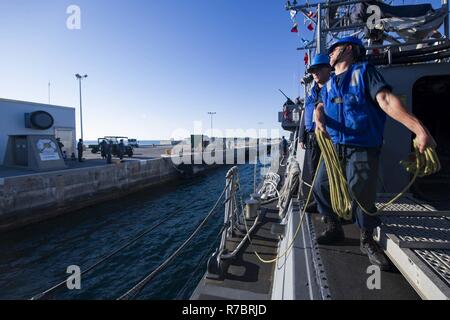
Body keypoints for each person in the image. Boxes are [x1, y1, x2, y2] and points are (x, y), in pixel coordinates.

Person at [313, 36, 436, 270]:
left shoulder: (365, 72)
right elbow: (321, 103)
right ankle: (333, 226)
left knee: (360, 190)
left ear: (348, 49)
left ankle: (366, 238)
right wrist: (318, 113)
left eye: (333, 49)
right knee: (321, 186)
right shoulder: (328, 84)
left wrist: (419, 129)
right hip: (335, 147)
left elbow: (386, 101)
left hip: (362, 145)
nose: (329, 53)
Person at [299, 54, 332, 212]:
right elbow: (305, 115)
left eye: (318, 69)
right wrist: (302, 137)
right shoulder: (311, 93)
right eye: (312, 70)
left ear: (328, 69)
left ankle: (330, 206)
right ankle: (318, 202)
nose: (315, 73)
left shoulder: (334, 88)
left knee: (329, 173)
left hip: (329, 137)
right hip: (312, 137)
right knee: (313, 171)